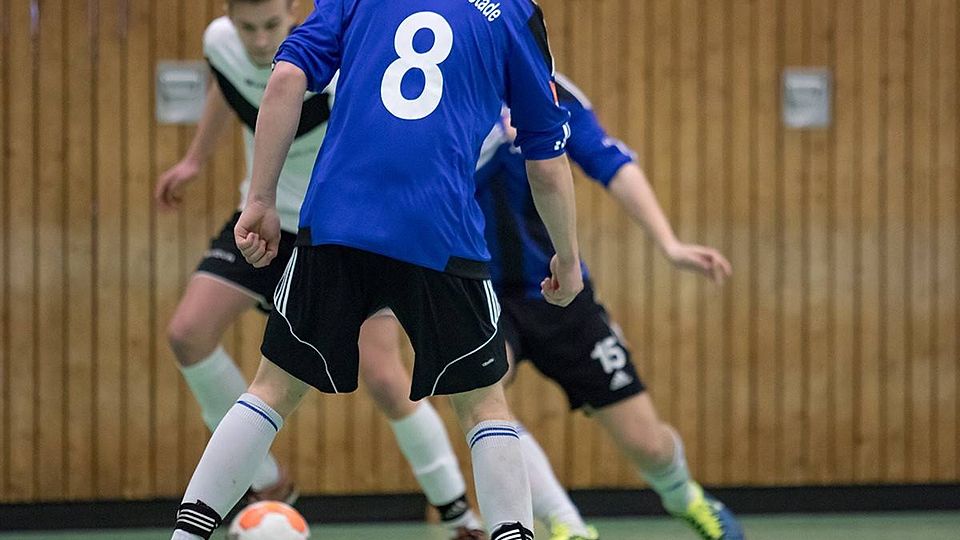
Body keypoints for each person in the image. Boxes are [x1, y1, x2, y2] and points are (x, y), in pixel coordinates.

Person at [170, 0, 583, 539]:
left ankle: (186, 535)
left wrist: (261, 199)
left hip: (336, 220)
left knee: (271, 389)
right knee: (483, 405)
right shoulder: (513, 12)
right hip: (440, 229)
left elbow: (288, 77)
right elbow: (545, 160)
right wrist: (567, 258)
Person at [358, 74, 745, 540]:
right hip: (478, 293)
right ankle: (566, 524)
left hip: (561, 294)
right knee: (483, 395)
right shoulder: (434, 91)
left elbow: (612, 164)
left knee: (649, 445)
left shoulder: (548, 89)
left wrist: (669, 244)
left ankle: (685, 497)